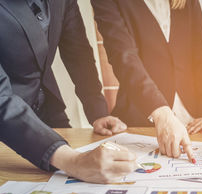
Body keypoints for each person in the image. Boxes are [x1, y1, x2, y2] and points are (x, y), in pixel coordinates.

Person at [0, 0, 133, 183]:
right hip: (7, 129)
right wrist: (74, 161)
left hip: (49, 111)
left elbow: (77, 52)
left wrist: (97, 112)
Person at [92, 0, 202, 160]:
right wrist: (161, 113)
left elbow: (201, 56)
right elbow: (123, 57)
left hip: (193, 122)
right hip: (140, 120)